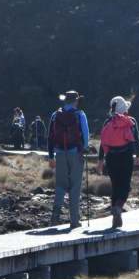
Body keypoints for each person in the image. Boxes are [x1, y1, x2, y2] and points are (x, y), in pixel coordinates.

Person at [48, 90, 91, 229]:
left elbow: (50, 137)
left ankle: (55, 217)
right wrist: (84, 149)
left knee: (60, 185)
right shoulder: (80, 114)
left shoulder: (55, 115)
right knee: (75, 186)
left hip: (59, 153)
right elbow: (85, 135)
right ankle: (74, 220)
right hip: (76, 153)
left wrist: (51, 156)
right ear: (76, 101)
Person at [98, 96, 139, 229]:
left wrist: (100, 160)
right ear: (124, 108)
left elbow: (102, 143)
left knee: (115, 186)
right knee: (125, 186)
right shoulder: (131, 121)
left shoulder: (107, 122)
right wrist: (138, 156)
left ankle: (115, 219)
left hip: (111, 158)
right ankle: (118, 207)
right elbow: (137, 140)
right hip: (126, 157)